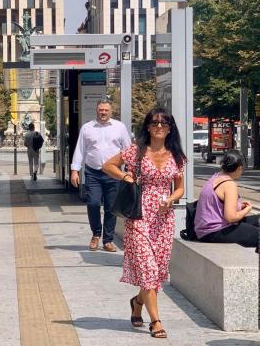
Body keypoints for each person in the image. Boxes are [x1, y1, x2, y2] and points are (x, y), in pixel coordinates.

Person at [102, 107, 186, 339]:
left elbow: (180, 188)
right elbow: (107, 165)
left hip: (163, 218)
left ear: (170, 128)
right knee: (148, 269)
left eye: (164, 123)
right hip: (139, 214)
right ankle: (156, 321)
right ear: (147, 127)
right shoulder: (135, 151)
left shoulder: (176, 155)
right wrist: (125, 176)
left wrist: (170, 199)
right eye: (154, 123)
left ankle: (137, 302)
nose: (159, 127)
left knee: (157, 271)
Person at [71, 100, 131, 252]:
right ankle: (96, 234)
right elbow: (80, 150)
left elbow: (128, 150)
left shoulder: (119, 127)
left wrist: (129, 170)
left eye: (106, 110)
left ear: (111, 111)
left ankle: (108, 240)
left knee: (111, 208)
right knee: (93, 203)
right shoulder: (87, 128)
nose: (103, 112)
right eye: (101, 110)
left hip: (114, 173)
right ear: (96, 111)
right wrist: (74, 170)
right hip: (93, 173)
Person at [194, 150, 259, 251]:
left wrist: (238, 206)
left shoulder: (215, 177)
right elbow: (231, 218)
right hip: (215, 231)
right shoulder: (229, 184)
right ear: (239, 168)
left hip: (206, 230)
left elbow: (217, 204)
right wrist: (247, 209)